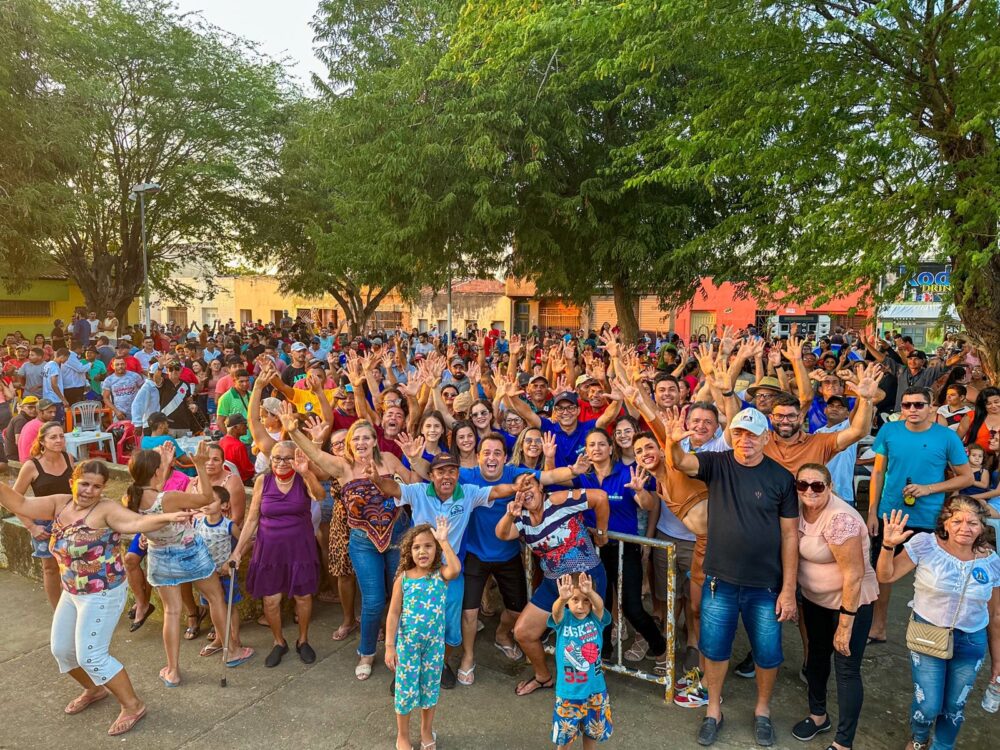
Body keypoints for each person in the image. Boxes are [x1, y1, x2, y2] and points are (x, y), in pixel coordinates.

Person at [0, 461, 192, 736]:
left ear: (103, 489)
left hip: (103, 592)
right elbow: (19, 503)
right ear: (72, 482)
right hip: (72, 591)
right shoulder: (60, 504)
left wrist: (166, 517)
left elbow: (136, 522)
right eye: (85, 483)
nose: (89, 490)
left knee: (91, 655)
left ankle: (133, 705)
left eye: (97, 486)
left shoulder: (106, 510)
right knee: (63, 652)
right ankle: (94, 688)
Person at [663, 407, 798, 747]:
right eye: (739, 433)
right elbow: (682, 462)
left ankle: (762, 711)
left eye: (753, 434)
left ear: (766, 438)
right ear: (732, 435)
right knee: (716, 650)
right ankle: (713, 711)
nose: (745, 440)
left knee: (767, 654)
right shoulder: (717, 463)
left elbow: (791, 536)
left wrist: (789, 590)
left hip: (765, 585)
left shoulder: (781, 479)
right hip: (718, 581)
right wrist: (672, 442)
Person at [369, 450, 520, 688]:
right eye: (440, 471)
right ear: (431, 475)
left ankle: (440, 663)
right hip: (416, 568)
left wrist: (517, 487)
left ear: (458, 474)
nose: (446, 476)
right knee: (407, 621)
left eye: (451, 471)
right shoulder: (419, 492)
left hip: (450, 570)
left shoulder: (468, 493)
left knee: (451, 627)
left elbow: (497, 490)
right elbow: (394, 489)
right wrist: (377, 480)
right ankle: (404, 668)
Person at [282, 414, 417, 680]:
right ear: (351, 445)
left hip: (398, 538)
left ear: (375, 441)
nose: (362, 441)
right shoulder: (343, 467)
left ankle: (400, 648)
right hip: (363, 543)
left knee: (401, 597)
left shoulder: (389, 460)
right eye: (356, 438)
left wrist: (412, 460)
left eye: (366, 437)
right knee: (374, 600)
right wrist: (294, 431)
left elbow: (414, 486)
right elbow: (316, 456)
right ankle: (366, 652)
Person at [877, 501, 1000, 750]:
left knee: (955, 705)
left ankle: (943, 747)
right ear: (945, 523)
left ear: (981, 527)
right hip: (928, 635)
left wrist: (997, 662)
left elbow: (995, 614)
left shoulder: (991, 560)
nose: (964, 527)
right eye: (957, 521)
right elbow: (885, 576)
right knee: (929, 704)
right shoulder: (925, 544)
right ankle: (919, 738)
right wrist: (888, 545)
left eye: (972, 522)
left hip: (972, 641)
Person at [127, 441, 245, 686]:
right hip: (190, 552)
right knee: (215, 598)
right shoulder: (169, 498)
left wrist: (166, 463)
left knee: (172, 612)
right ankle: (231, 651)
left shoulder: (133, 496)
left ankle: (172, 670)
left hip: (160, 557)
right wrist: (200, 466)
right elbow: (204, 496)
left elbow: (155, 492)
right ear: (155, 472)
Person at [867, 387, 973, 644]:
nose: (912, 410)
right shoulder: (889, 431)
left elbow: (966, 476)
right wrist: (872, 511)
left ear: (931, 408)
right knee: (882, 575)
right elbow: (878, 472)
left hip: (930, 517)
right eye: (906, 405)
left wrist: (928, 489)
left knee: (933, 579)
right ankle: (878, 627)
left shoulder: (947, 438)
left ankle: (933, 632)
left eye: (918, 405)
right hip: (890, 515)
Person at [495, 473, 610, 697]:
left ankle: (588, 688)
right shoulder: (521, 517)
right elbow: (502, 534)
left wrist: (602, 534)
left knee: (585, 637)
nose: (525, 490)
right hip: (553, 583)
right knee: (523, 632)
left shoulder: (556, 500)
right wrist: (510, 514)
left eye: (529, 484)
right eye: (519, 488)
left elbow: (601, 497)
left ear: (540, 487)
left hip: (585, 581)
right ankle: (544, 677)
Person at [793, 464, 879, 750]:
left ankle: (844, 742)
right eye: (802, 484)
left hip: (850, 604)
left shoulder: (840, 518)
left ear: (829, 487)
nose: (809, 490)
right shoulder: (797, 507)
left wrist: (845, 624)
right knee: (816, 658)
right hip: (815, 600)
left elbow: (854, 574)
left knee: (846, 668)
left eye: (817, 486)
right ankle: (818, 716)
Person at [229, 441, 322, 667]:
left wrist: (306, 471)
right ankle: (279, 642)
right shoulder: (264, 480)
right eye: (277, 458)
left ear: (296, 458)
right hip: (269, 550)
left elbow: (319, 496)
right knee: (270, 600)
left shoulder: (302, 478)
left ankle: (303, 640)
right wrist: (237, 552)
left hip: (300, 547)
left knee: (303, 596)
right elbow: (252, 519)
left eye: (287, 458)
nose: (281, 462)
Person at [385, 519, 461, 750]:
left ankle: (426, 731)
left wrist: (444, 540)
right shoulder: (404, 579)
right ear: (409, 551)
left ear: (435, 549)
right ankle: (403, 736)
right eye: (416, 547)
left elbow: (456, 569)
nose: (422, 551)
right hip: (407, 646)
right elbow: (393, 613)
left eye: (428, 546)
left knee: (430, 690)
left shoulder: (440, 575)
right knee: (405, 691)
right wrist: (390, 646)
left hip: (434, 647)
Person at [10, 421, 73, 609]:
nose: (59, 440)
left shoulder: (68, 458)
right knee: (50, 569)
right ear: (42, 441)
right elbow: (15, 499)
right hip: (44, 525)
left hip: (69, 522)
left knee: (72, 567)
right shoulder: (32, 465)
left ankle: (73, 607)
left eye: (61, 436)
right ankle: (58, 611)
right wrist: (31, 526)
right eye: (53, 437)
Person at [550, 572, 613, 750]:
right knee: (565, 739)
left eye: (586, 601)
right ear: (569, 601)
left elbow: (600, 607)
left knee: (592, 733)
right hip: (569, 691)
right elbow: (556, 612)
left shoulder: (595, 619)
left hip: (595, 689)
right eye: (575, 599)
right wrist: (562, 600)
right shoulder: (564, 621)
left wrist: (591, 592)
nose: (581, 606)